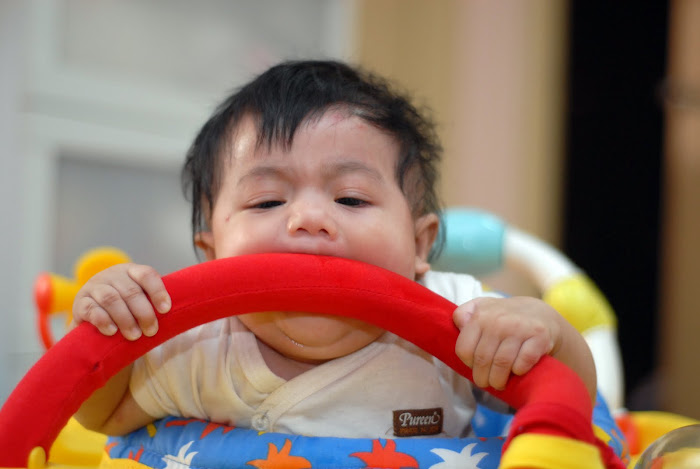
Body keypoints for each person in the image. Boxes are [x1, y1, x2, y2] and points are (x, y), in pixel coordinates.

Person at [72, 60, 596, 440]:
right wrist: (111, 329)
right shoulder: (198, 345)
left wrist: (544, 332)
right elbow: (103, 414)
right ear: (211, 255)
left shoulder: (456, 318)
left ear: (419, 245)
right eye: (267, 201)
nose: (309, 219)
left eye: (350, 198)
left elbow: (570, 396)